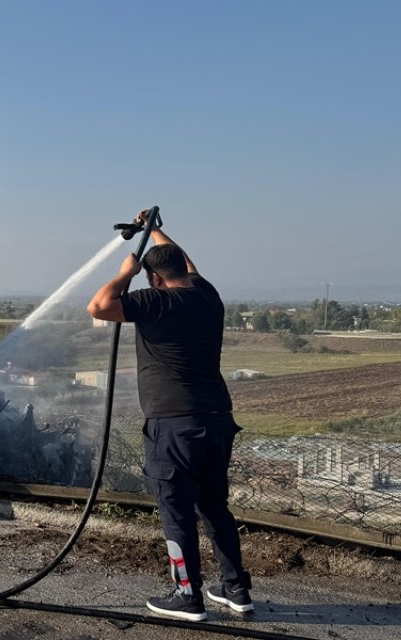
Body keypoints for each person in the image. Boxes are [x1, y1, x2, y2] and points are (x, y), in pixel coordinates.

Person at [86, 210, 253, 621]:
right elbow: (187, 265)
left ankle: (187, 596)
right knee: (215, 506)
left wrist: (126, 271)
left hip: (173, 426)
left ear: (155, 279)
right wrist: (154, 232)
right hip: (216, 419)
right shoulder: (207, 295)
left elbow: (98, 306)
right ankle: (237, 591)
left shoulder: (153, 301)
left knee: (176, 511)